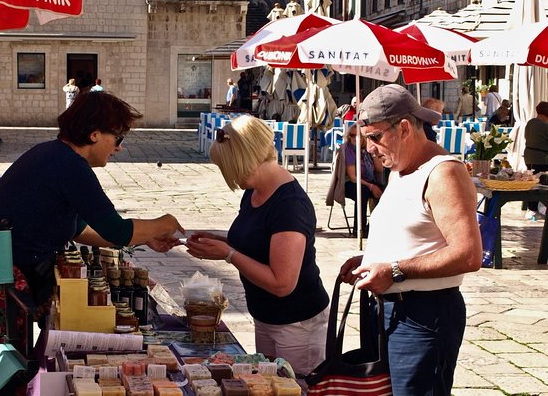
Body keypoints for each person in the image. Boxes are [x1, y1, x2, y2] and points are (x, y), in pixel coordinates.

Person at [0, 90, 184, 376]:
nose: (119, 148)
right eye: (118, 138)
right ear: (94, 134)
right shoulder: (70, 166)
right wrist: (164, 222)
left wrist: (145, 236)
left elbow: (80, 229)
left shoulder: (53, 155)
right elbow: (116, 229)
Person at [339, 84, 482, 395]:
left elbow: (468, 254)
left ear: (404, 128)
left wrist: (394, 270)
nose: (369, 148)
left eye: (375, 137)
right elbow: (412, 235)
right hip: (389, 310)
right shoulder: (400, 169)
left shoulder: (444, 173)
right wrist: (369, 260)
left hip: (423, 315)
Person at [185, 116, 330, 375]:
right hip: (266, 316)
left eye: (228, 167)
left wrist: (228, 254)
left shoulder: (290, 205)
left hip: (296, 323)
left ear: (245, 161)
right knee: (265, 384)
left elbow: (282, 283)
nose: (227, 175)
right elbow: (257, 244)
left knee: (292, 387)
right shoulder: (254, 192)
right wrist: (219, 243)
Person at [342, 124, 383, 237]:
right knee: (363, 192)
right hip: (349, 184)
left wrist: (373, 153)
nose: (354, 138)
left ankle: (374, 226)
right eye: (352, 135)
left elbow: (379, 169)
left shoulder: (366, 151)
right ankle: (359, 229)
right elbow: (352, 177)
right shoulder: (348, 149)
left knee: (386, 191)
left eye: (358, 135)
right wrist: (371, 186)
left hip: (367, 181)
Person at [524, 101, 548, 221]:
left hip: (529, 156)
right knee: (539, 184)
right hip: (541, 158)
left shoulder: (530, 123)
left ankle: (532, 207)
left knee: (532, 182)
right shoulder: (544, 126)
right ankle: (536, 207)